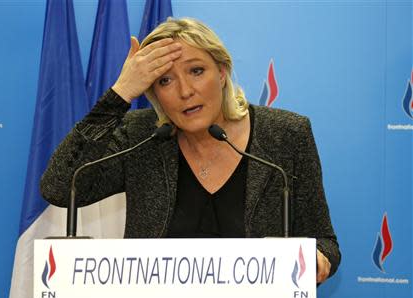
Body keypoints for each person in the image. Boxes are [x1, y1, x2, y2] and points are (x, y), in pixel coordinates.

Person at [40, 17, 340, 283]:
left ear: (222, 73)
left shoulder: (286, 135)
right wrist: (119, 95)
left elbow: (324, 241)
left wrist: (317, 258)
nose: (185, 91)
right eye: (165, 80)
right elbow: (60, 186)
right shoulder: (142, 136)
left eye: (197, 71)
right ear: (153, 92)